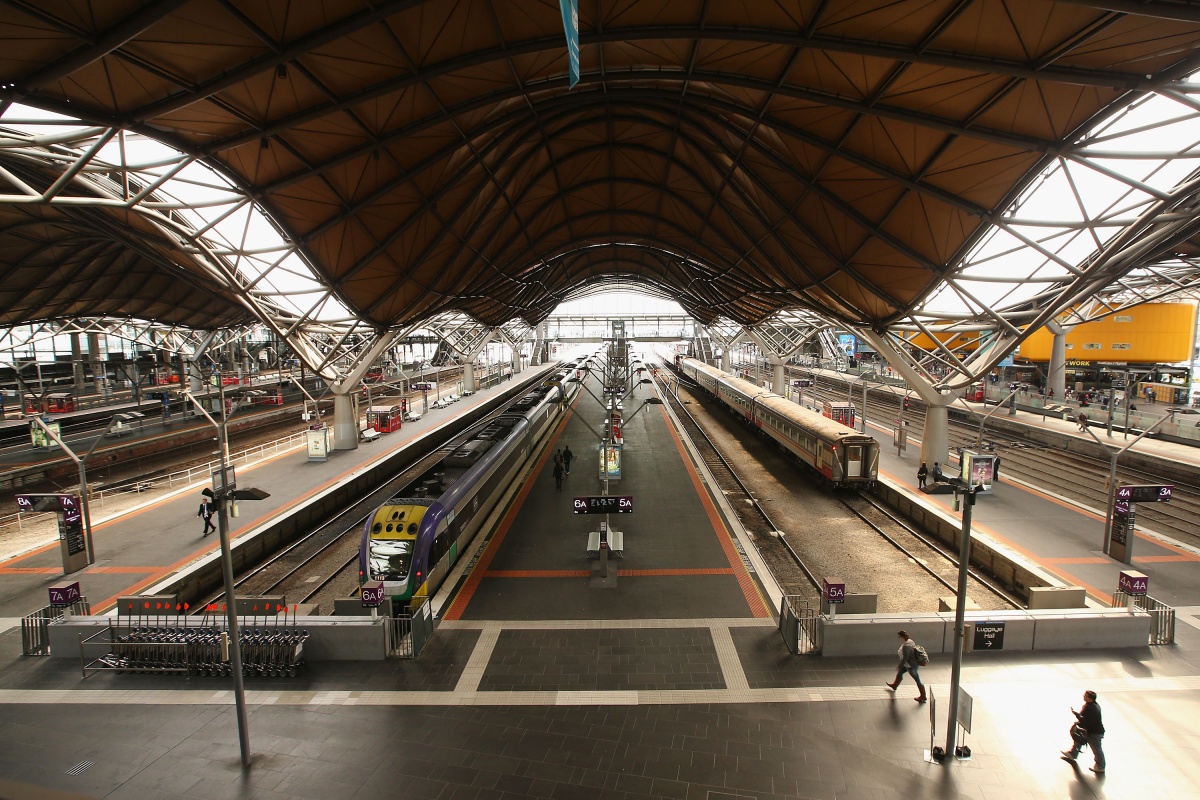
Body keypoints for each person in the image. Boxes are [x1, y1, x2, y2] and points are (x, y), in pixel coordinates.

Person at [1061, 690, 1105, 774]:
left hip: (1094, 733)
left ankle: (1100, 767)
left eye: (1085, 696)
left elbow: (1084, 719)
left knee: (1097, 749)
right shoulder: (1093, 705)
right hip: (1092, 730)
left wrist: (1076, 714)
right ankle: (1072, 754)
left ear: (1090, 698)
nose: (1083, 696)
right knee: (1079, 740)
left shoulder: (1090, 708)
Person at [884, 630, 926, 703]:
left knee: (917, 679)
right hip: (908, 664)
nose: (899, 638)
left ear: (901, 636)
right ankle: (895, 685)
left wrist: (899, 666)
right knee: (900, 673)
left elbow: (905, 658)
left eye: (899, 636)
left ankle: (923, 696)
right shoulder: (910, 641)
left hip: (910, 665)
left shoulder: (906, 646)